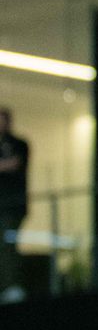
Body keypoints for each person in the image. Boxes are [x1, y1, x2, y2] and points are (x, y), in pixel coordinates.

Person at [0, 108, 29, 303]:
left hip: (12, 207)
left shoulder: (18, 144)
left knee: (7, 246)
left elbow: (15, 163)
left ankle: (11, 287)